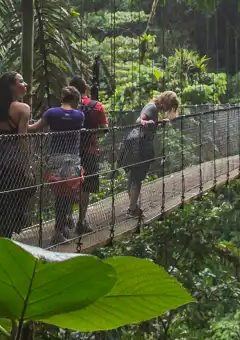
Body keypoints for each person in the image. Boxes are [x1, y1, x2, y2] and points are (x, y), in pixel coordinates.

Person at [0, 71, 38, 237]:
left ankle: (2, 237)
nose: (25, 84)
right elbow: (23, 139)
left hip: (0, 163)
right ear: (12, 86)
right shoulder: (23, 108)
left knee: (1, 203)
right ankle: (8, 240)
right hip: (15, 164)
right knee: (15, 203)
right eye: (21, 81)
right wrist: (27, 167)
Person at [120, 91, 180, 219]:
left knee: (134, 177)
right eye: (170, 107)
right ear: (166, 102)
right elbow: (139, 120)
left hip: (137, 144)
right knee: (137, 178)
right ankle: (131, 209)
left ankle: (133, 207)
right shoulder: (152, 107)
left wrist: (158, 122)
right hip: (141, 146)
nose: (168, 110)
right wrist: (144, 122)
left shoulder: (153, 107)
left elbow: (147, 122)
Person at [38, 87, 86, 242]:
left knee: (61, 195)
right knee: (67, 195)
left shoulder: (51, 113)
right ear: (75, 99)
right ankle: (58, 232)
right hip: (72, 160)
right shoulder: (79, 115)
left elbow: (34, 128)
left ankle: (61, 227)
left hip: (55, 158)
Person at [70, 76, 107, 235]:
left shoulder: (67, 107)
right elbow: (104, 129)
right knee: (85, 188)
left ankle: (66, 219)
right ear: (85, 88)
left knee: (69, 186)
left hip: (70, 151)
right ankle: (81, 221)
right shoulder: (97, 106)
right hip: (89, 152)